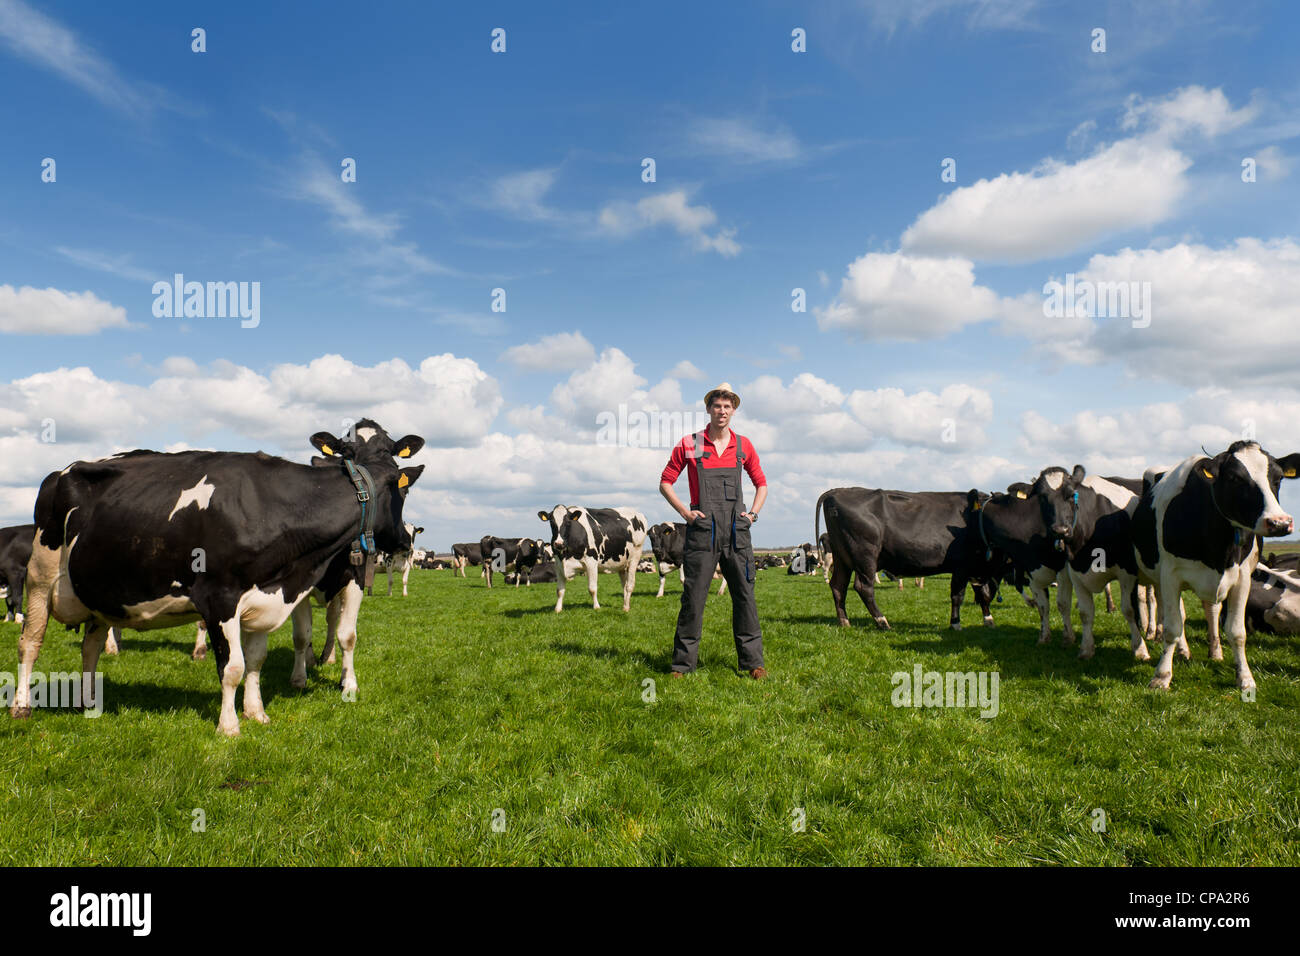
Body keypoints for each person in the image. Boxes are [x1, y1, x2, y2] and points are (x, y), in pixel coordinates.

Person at [658, 383, 768, 678]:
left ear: (734, 410)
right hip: (703, 531)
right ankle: (682, 665)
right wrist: (684, 512)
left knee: (745, 596)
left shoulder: (743, 446)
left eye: (727, 407)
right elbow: (665, 481)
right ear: (709, 409)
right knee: (693, 598)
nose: (722, 411)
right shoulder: (690, 443)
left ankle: (753, 663)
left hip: (737, 533)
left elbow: (762, 483)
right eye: (717, 406)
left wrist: (753, 514)